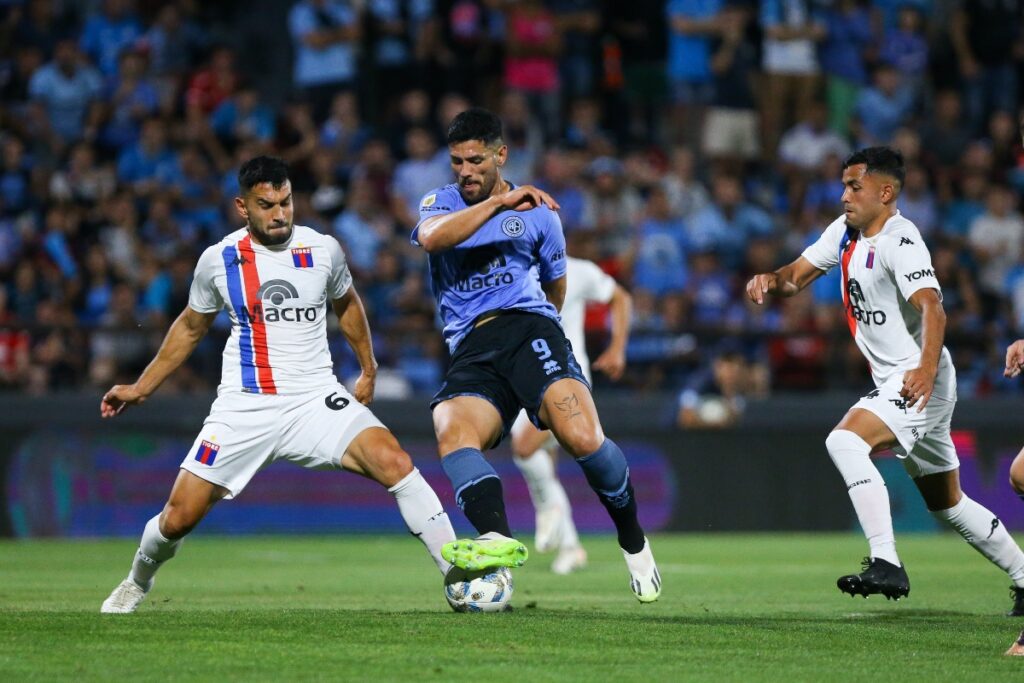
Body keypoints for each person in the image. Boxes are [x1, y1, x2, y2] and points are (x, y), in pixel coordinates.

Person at [99, 156, 456, 613]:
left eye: (286, 202)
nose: (280, 213)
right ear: (242, 207)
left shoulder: (323, 249)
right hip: (245, 405)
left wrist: (368, 369)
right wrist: (142, 387)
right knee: (178, 517)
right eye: (266, 205)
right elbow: (190, 326)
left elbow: (347, 305)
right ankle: (136, 581)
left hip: (313, 398)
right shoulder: (219, 260)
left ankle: (455, 573)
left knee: (395, 461)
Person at [745, 146, 1024, 613]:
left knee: (844, 442)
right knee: (948, 502)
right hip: (912, 379)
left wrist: (925, 370)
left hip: (917, 378)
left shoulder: (901, 240)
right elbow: (795, 276)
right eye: (843, 185)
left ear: (886, 191)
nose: (844, 195)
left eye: (854, 186)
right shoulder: (844, 234)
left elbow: (933, 307)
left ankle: (886, 560)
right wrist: (771, 281)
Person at [412, 108, 661, 602]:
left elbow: (557, 286)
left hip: (530, 330)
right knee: (452, 429)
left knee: (583, 437)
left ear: (501, 154)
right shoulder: (440, 203)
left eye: (476, 160)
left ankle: (633, 540)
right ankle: (498, 540)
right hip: (472, 345)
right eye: (457, 161)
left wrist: (543, 331)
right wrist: (501, 202)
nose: (465, 172)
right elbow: (432, 238)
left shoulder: (541, 214)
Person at [511, 255, 633, 575]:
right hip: (524, 381)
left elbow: (620, 296)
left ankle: (547, 508)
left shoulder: (577, 270)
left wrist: (618, 346)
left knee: (525, 448)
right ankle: (571, 547)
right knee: (542, 465)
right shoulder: (509, 268)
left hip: (567, 380)